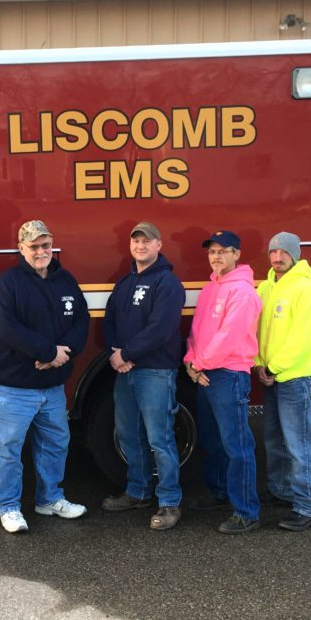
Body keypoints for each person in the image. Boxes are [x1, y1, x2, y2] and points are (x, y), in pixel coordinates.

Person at [0, 220, 90, 533]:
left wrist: (65, 352)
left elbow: (81, 319)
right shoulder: (10, 282)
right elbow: (5, 326)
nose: (41, 251)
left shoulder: (65, 280)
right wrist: (47, 352)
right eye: (34, 246)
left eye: (45, 245)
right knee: (6, 450)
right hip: (11, 385)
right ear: (21, 249)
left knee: (55, 443)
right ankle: (8, 507)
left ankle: (49, 499)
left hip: (51, 385)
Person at [102, 222, 187, 530]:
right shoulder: (125, 283)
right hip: (126, 371)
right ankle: (137, 491)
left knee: (159, 438)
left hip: (155, 372)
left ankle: (170, 501)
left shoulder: (168, 283)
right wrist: (116, 351)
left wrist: (126, 354)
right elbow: (110, 319)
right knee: (128, 434)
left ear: (158, 245)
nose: (140, 246)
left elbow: (160, 329)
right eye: (136, 241)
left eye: (147, 241)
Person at [184, 230, 263, 534]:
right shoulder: (209, 289)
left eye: (222, 251)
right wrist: (191, 362)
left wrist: (199, 363)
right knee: (212, 440)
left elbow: (229, 336)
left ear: (237, 254)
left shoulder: (243, 292)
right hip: (205, 374)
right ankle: (219, 492)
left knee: (237, 445)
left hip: (229, 375)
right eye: (212, 252)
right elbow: (196, 332)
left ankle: (247, 511)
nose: (216, 257)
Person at [255, 232, 311, 531]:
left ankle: (308, 506)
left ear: (295, 255)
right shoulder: (266, 287)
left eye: (284, 252)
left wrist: (273, 367)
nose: (277, 257)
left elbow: (303, 339)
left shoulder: (305, 289)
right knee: (275, 440)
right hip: (271, 375)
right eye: (273, 252)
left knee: (301, 445)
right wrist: (259, 363)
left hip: (296, 378)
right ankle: (282, 490)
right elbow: (257, 329)